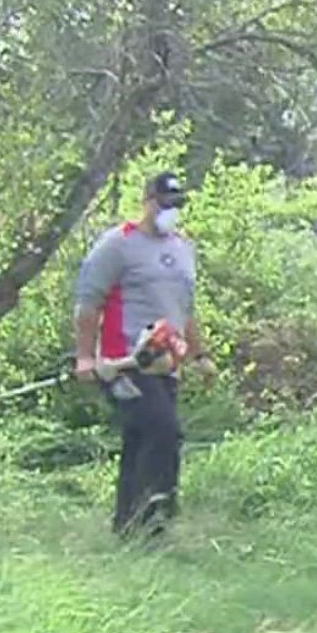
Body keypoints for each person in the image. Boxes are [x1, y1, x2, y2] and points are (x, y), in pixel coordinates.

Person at [74, 171, 210, 539]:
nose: (170, 212)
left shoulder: (183, 248)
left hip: (166, 364)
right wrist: (85, 358)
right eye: (165, 204)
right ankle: (153, 524)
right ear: (147, 202)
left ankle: (127, 527)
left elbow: (186, 309)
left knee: (141, 440)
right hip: (124, 364)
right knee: (164, 432)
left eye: (177, 205)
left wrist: (200, 355)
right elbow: (88, 304)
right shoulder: (117, 245)